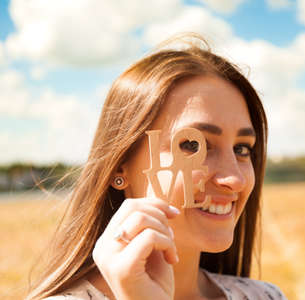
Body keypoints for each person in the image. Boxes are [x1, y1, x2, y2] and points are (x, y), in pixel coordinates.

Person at [26, 36, 287, 300]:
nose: (234, 179)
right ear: (119, 167)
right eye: (193, 146)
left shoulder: (265, 296)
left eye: (242, 149)